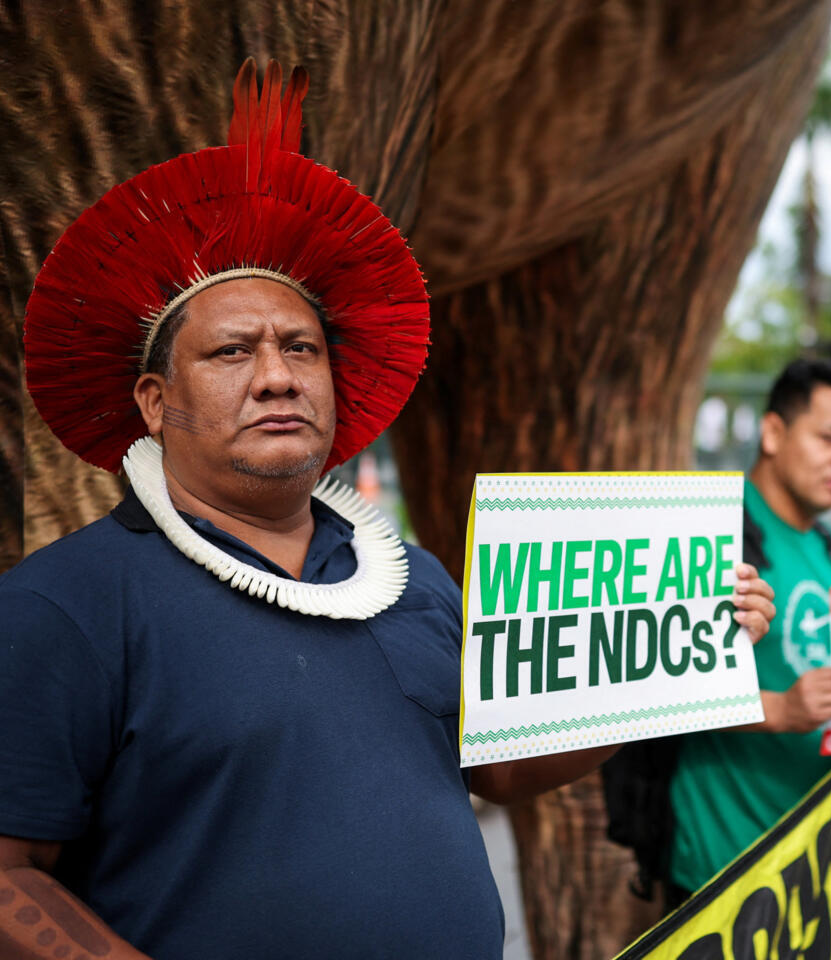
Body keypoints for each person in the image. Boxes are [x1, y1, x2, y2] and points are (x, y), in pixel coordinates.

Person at [0, 61, 778, 960]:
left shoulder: (413, 580)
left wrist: (668, 670)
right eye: (230, 352)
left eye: (301, 347)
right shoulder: (68, 605)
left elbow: (507, 765)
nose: (278, 375)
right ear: (152, 401)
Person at [664, 359, 831, 901]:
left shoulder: (828, 543)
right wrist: (781, 710)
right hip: (726, 869)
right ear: (773, 432)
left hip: (815, 852)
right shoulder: (709, 526)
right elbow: (657, 685)